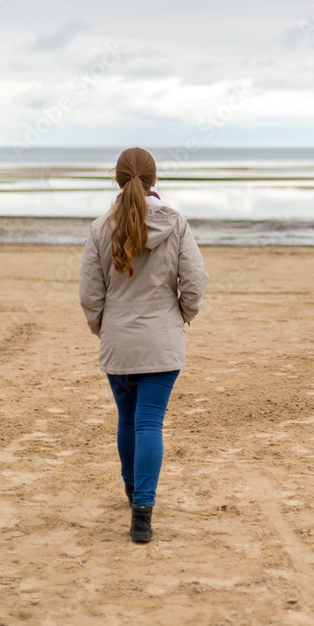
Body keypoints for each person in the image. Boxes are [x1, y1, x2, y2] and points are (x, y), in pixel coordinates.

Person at [78, 146, 209, 543]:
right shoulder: (177, 223)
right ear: (154, 180)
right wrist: (182, 315)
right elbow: (196, 281)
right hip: (162, 340)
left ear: (118, 179)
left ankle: (134, 492)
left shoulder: (101, 227)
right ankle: (142, 512)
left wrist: (104, 328)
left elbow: (89, 294)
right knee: (149, 421)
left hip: (119, 340)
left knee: (128, 419)